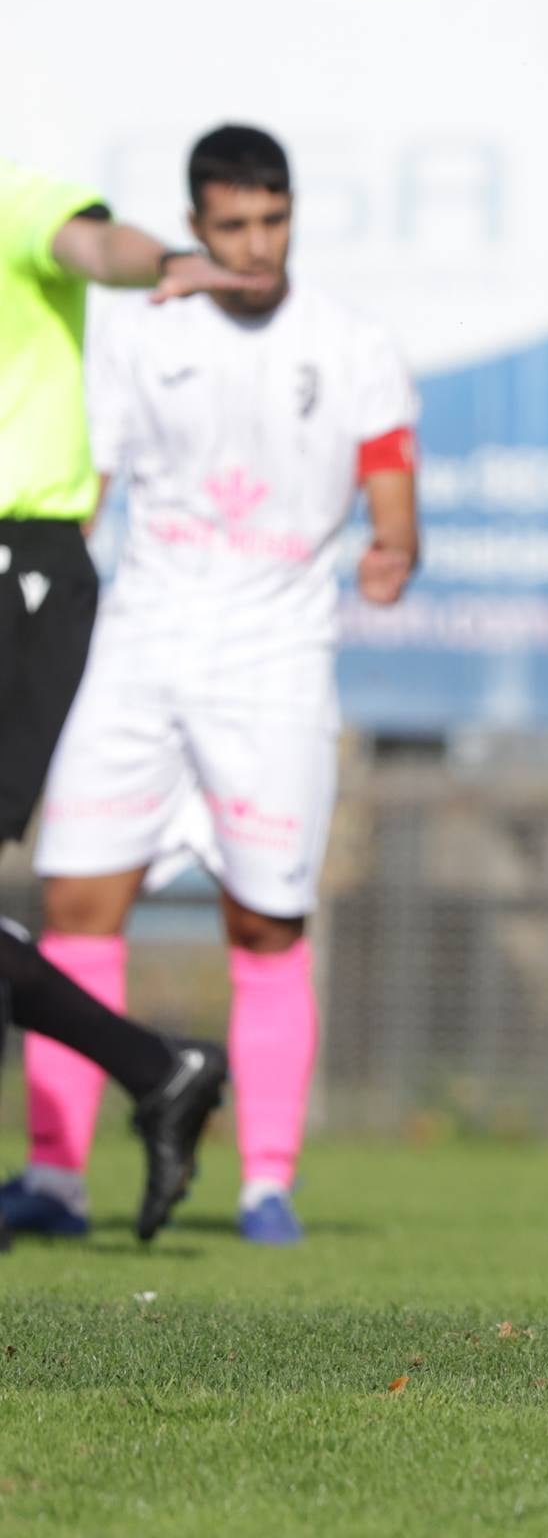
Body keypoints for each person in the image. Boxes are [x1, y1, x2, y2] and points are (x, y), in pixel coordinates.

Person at [3, 125, 420, 1248]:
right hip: (139, 652)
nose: (254, 246)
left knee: (266, 921)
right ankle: (54, 1179)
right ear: (197, 228)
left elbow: (390, 475)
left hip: (274, 664)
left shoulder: (348, 343)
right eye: (232, 226)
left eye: (272, 222)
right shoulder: (147, 342)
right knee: (76, 905)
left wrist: (393, 546)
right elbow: (88, 484)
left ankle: (265, 1186)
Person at [1, 156, 253, 1243]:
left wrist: (176, 259)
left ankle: (158, 1068)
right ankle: (159, 1069)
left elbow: (97, 247)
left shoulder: (13, 197)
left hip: (22, 566)